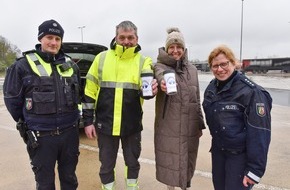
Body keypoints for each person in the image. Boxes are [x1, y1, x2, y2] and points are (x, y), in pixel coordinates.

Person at [3, 19, 80, 190]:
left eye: (58, 39)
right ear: (40, 39)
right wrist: (28, 121)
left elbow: (78, 96)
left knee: (70, 179)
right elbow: (12, 101)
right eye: (49, 37)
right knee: (45, 183)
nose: (54, 42)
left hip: (69, 135)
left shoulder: (71, 66)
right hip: (42, 138)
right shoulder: (22, 66)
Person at [82, 20, 158, 190]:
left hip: (131, 125)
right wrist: (87, 121)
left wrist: (152, 91)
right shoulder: (101, 58)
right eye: (122, 37)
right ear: (116, 38)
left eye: (130, 37)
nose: (126, 41)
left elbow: (146, 90)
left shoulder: (143, 61)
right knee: (106, 164)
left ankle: (132, 187)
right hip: (105, 124)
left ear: (137, 39)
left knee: (132, 162)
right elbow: (89, 91)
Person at [202, 45, 272, 190]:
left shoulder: (251, 92)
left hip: (240, 157)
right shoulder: (212, 88)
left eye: (224, 64)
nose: (220, 69)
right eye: (215, 66)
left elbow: (260, 132)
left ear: (233, 63)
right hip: (219, 153)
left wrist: (254, 170)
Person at [153, 27, 205, 190]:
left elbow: (197, 98)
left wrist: (200, 124)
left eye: (179, 47)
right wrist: (161, 83)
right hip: (170, 126)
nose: (176, 51)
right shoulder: (160, 66)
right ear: (167, 48)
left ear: (184, 48)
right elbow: (159, 75)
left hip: (190, 125)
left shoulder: (193, 70)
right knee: (172, 161)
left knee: (187, 161)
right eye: (172, 47)